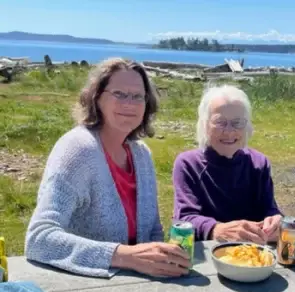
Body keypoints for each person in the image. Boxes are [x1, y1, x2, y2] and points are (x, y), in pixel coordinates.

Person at [25, 58, 191, 278]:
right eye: (119, 94)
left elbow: (153, 231)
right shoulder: (77, 150)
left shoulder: (141, 155)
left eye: (137, 96)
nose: (129, 104)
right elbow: (39, 239)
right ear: (97, 98)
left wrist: (162, 260)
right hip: (83, 286)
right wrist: (124, 256)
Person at [172, 84, 283, 244]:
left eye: (237, 122)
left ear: (247, 126)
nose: (229, 131)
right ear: (204, 125)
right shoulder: (188, 164)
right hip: (206, 254)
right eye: (220, 122)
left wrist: (274, 221)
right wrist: (215, 229)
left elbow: (269, 209)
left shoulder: (259, 163)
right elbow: (184, 218)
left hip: (252, 254)